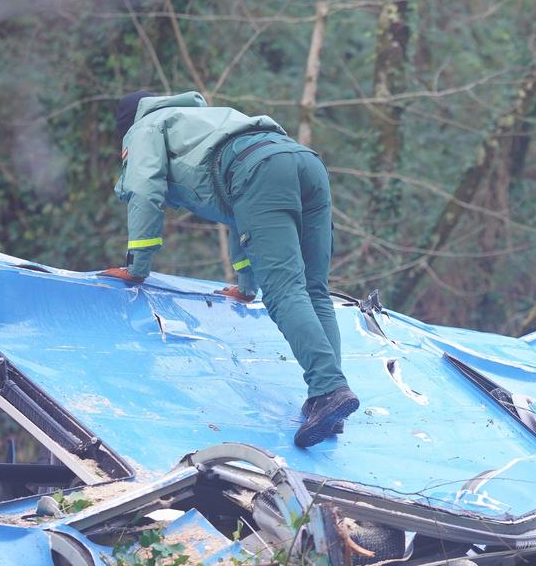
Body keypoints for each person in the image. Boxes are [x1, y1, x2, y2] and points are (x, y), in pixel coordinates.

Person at [101, 90, 359, 449]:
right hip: (305, 162)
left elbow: (145, 191)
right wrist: (245, 286)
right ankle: (328, 400)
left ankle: (329, 390)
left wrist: (137, 268)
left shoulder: (147, 126)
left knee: (285, 291)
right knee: (314, 290)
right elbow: (243, 211)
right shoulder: (210, 119)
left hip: (261, 172)